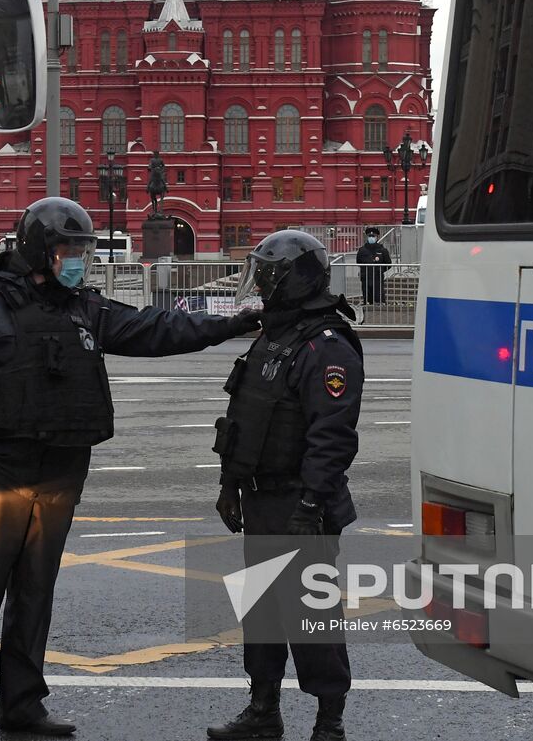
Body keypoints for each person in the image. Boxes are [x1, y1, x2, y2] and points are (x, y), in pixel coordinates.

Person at [0, 197, 261, 741]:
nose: (77, 259)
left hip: (60, 475)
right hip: (0, 474)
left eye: (81, 249)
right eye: (69, 248)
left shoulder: (82, 307)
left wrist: (231, 324)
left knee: (35, 596)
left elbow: (155, 329)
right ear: (40, 248)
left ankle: (22, 706)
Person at [210, 230, 362, 741]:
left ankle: (329, 720)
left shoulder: (327, 345)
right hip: (260, 495)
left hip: (302, 500)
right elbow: (244, 418)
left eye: (272, 275)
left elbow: (332, 437)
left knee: (311, 616)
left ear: (296, 279)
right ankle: (263, 709)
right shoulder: (273, 335)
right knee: (263, 611)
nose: (265, 285)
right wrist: (231, 484)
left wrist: (311, 502)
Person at [356, 228, 391, 305]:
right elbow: (358, 262)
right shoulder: (362, 250)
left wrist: (381, 270)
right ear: (367, 237)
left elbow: (388, 263)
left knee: (379, 299)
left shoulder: (382, 250)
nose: (371, 237)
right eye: (369, 236)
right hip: (366, 277)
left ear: (377, 237)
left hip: (377, 278)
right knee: (367, 299)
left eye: (373, 236)